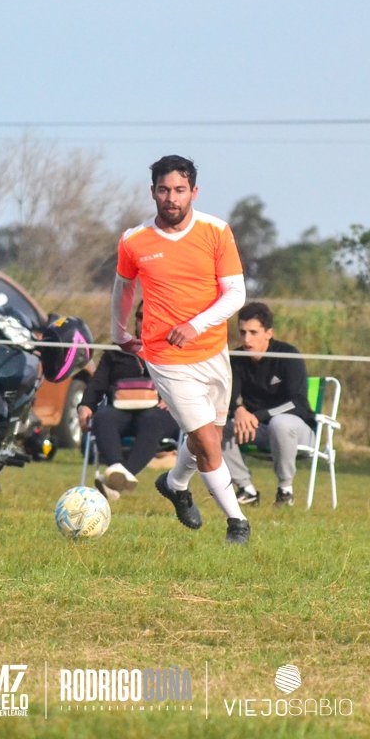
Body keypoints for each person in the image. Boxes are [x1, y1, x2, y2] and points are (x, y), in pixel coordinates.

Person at [112, 154, 251, 544]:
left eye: (179, 190)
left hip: (213, 351)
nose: (171, 198)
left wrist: (195, 325)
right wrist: (119, 332)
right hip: (165, 356)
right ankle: (237, 522)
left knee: (208, 436)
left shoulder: (216, 231)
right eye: (163, 190)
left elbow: (236, 293)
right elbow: (123, 289)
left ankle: (174, 484)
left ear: (194, 191)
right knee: (207, 441)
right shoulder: (134, 240)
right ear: (152, 192)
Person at [78, 302, 181, 501]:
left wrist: (173, 399)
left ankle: (119, 478)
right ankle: (117, 469)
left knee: (152, 419)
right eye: (141, 316)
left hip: (159, 412)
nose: (144, 321)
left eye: (151, 317)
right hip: (120, 410)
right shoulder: (116, 351)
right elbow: (97, 384)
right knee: (103, 417)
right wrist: (85, 406)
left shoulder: (174, 351)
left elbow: (188, 384)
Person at [221, 301, 315, 507]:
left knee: (280, 423)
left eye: (253, 332)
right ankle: (246, 489)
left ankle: (285, 491)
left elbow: (297, 403)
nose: (247, 339)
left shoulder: (288, 355)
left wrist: (257, 416)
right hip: (258, 429)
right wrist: (238, 410)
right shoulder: (236, 359)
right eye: (243, 332)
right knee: (217, 429)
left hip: (296, 430)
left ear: (269, 333)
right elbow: (229, 397)